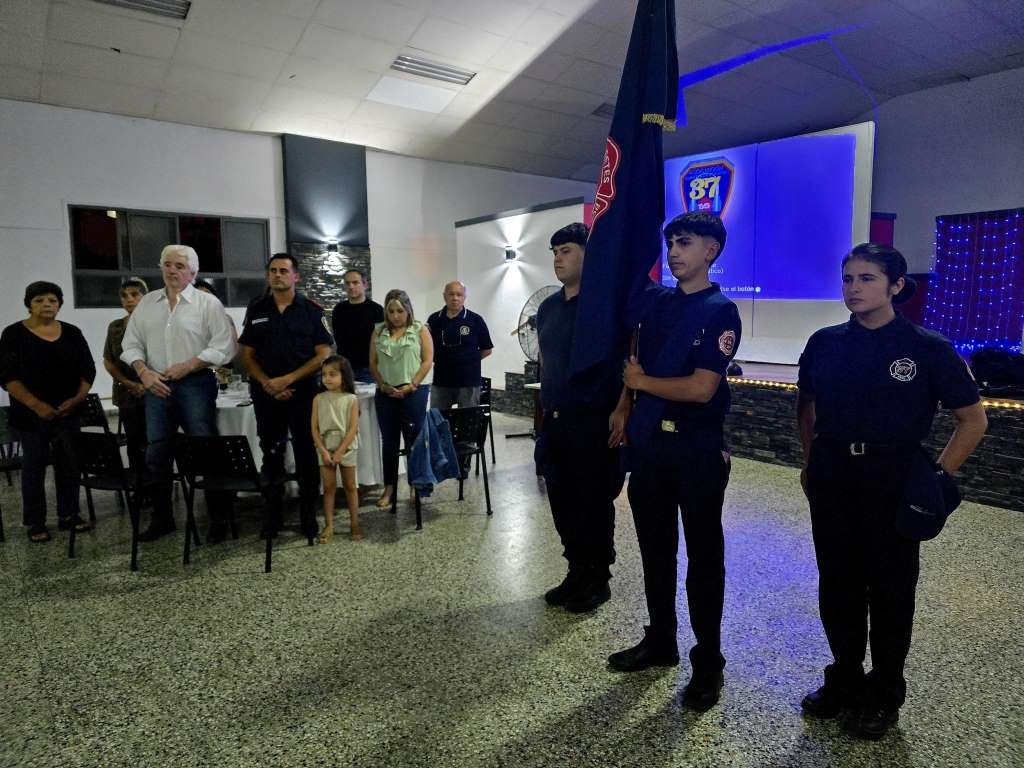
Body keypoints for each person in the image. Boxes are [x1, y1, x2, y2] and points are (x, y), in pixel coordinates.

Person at [796, 243, 987, 739]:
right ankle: (843, 677)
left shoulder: (927, 348)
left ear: (896, 286)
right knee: (836, 582)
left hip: (893, 480)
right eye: (847, 279)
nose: (854, 289)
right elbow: (807, 404)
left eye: (866, 279)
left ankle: (884, 691)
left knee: (890, 591)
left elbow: (973, 419)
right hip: (835, 475)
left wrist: (938, 477)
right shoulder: (825, 342)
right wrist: (810, 458)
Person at [607, 212, 741, 715]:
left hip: (696, 454)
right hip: (651, 451)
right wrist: (625, 401)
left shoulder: (720, 310)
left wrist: (641, 387)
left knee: (704, 562)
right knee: (655, 554)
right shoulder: (658, 304)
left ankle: (708, 663)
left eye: (684, 242)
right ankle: (660, 640)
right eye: (670, 243)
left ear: (711, 250)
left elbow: (701, 387)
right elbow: (634, 360)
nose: (674, 251)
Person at [535, 223, 626, 614]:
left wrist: (622, 408)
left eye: (566, 250)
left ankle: (598, 577)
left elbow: (626, 363)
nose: (558, 258)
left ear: (588, 254)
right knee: (562, 501)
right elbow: (545, 361)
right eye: (555, 251)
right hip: (555, 421)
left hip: (593, 421)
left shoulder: (604, 309)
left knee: (592, 501)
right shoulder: (548, 308)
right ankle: (575, 569)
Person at [121, 244, 237, 542]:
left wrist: (190, 364)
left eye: (179, 266)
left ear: (193, 272)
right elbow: (130, 344)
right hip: (155, 383)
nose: (172, 270)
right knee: (156, 452)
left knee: (205, 449)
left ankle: (217, 519)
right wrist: (143, 372)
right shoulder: (147, 303)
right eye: (167, 265)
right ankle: (162, 519)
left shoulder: (207, 304)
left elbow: (225, 345)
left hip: (195, 382)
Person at [239, 253, 332, 540]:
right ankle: (273, 516)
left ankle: (307, 516)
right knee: (271, 454)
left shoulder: (311, 310)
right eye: (273, 271)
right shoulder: (257, 309)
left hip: (303, 393)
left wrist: (289, 379)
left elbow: (323, 353)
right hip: (267, 395)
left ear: (296, 276)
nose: (278, 275)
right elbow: (247, 354)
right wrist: (268, 383)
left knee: (305, 454)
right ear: (268, 275)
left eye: (283, 270)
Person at [0, 282, 95, 542]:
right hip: (30, 414)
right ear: (29, 304)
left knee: (69, 465)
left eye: (52, 300)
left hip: (68, 412)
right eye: (39, 300)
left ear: (60, 304)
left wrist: (76, 400)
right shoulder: (13, 334)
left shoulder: (72, 333)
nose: (46, 305)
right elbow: (7, 377)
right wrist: (37, 405)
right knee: (34, 466)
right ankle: (35, 522)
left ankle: (69, 515)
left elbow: (88, 370)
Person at [369, 289, 433, 509]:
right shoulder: (378, 331)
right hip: (386, 394)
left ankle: (415, 484)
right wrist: (383, 385)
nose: (395, 315)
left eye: (400, 311)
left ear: (408, 310)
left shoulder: (419, 329)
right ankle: (389, 487)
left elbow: (427, 360)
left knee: (413, 440)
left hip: (414, 392)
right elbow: (373, 363)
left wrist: (412, 385)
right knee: (389, 442)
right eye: (391, 311)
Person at [311, 355, 361, 542]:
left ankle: (354, 522)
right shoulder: (318, 399)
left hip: (346, 446)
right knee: (329, 487)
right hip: (325, 446)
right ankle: (329, 525)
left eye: (332, 374)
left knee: (350, 486)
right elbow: (314, 428)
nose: (327, 378)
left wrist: (340, 451)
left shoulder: (351, 399)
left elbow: (353, 428)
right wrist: (323, 450)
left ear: (344, 376)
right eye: (324, 374)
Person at [103, 277, 149, 473]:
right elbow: (109, 360)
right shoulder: (115, 326)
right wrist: (129, 383)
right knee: (134, 440)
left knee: (155, 439)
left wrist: (146, 383)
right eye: (124, 296)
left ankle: (156, 481)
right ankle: (138, 483)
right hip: (126, 391)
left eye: (134, 294)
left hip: (154, 388)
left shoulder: (157, 322)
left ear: (145, 297)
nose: (129, 299)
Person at [426, 281, 494, 409]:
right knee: (438, 421)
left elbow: (487, 349)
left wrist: (468, 360)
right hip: (441, 380)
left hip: (468, 381)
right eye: (451, 294)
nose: (455, 298)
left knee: (468, 424)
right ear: (444, 296)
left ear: (464, 297)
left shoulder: (475, 320)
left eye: (459, 294)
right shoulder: (434, 319)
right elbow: (428, 347)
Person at [332, 269, 384, 383]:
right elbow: (337, 338)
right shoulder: (339, 310)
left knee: (368, 401)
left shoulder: (377, 310)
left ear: (365, 284)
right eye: (347, 283)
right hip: (344, 368)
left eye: (355, 282)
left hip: (369, 369)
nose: (351, 286)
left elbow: (382, 341)